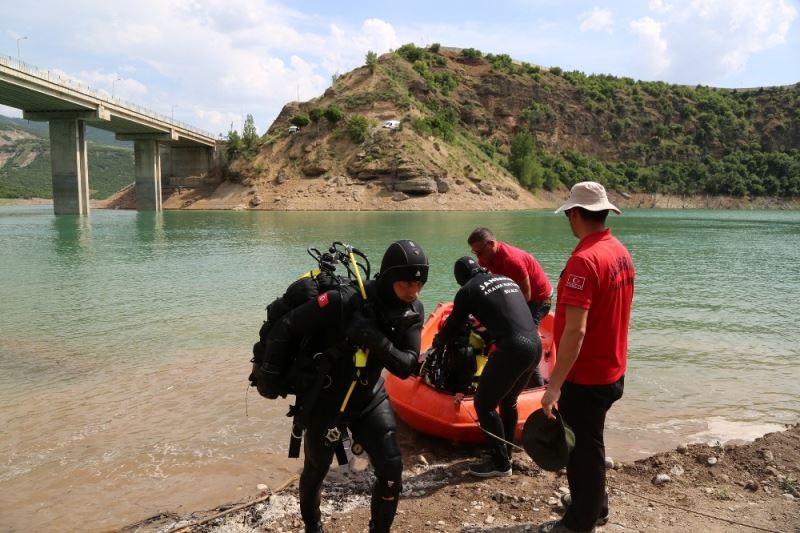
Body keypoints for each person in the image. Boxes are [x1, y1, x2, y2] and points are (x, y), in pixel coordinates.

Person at [258, 240, 428, 533]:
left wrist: (376, 340)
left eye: (419, 284)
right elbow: (287, 325)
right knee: (316, 469)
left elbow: (406, 366)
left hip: (369, 396)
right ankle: (314, 527)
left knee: (391, 470)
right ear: (388, 280)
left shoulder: (412, 309)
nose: (413, 292)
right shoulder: (342, 300)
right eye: (405, 285)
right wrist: (269, 376)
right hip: (325, 401)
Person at [538, 182, 635, 533]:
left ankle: (581, 522)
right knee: (591, 442)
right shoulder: (620, 252)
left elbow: (575, 332)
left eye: (568, 214)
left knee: (581, 452)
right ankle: (597, 506)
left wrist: (553, 387)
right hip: (612, 369)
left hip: (587, 376)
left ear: (575, 214)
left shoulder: (583, 261)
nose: (568, 220)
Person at [435, 256, 540, 478]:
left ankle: (500, 463)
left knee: (484, 404)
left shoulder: (468, 290)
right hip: (535, 345)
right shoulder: (504, 279)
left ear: (460, 280)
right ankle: (506, 454)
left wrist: (437, 343)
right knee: (508, 401)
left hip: (512, 349)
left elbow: (454, 324)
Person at [467, 228, 552, 386]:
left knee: (526, 340)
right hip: (516, 295)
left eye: (479, 252)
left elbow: (525, 296)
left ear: (491, 244)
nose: (478, 257)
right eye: (474, 253)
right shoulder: (485, 259)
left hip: (538, 300)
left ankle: (537, 384)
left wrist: (511, 321)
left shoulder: (512, 260)